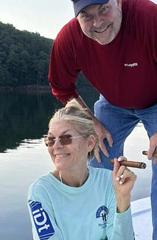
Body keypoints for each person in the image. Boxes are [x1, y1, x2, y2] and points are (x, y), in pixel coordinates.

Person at [48, 0, 157, 240]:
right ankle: (99, 234)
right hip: (112, 103)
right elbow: (62, 87)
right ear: (76, 16)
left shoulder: (150, 18)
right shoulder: (69, 39)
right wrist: (93, 122)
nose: (97, 23)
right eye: (87, 16)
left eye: (104, 10)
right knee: (96, 157)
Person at [27, 99, 137, 240]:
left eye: (66, 138)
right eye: (50, 140)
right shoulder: (41, 191)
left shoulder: (109, 181)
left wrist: (123, 198)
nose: (56, 146)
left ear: (90, 143)